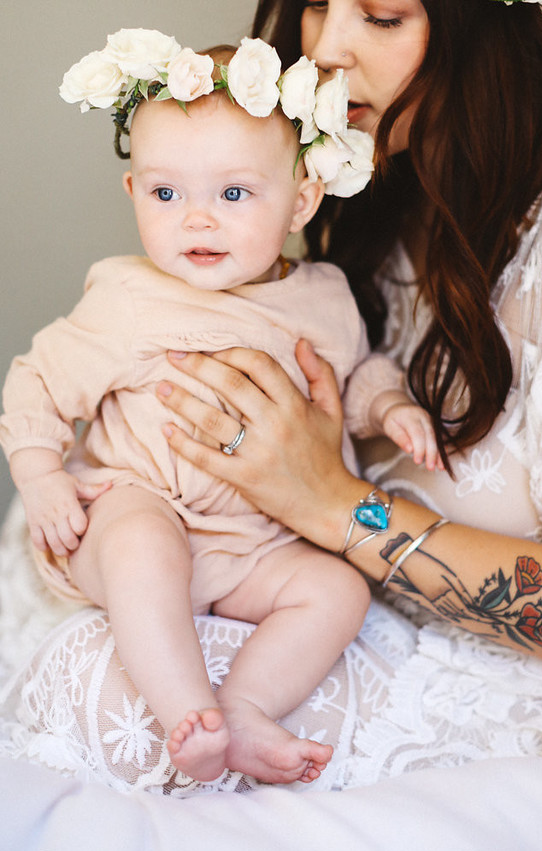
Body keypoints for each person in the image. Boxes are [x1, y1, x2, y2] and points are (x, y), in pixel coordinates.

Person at [0, 35, 380, 785]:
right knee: (140, 543)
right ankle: (186, 711)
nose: (196, 220)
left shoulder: (323, 298)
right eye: (166, 193)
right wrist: (41, 473)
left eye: (233, 194)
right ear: (134, 191)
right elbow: (35, 379)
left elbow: (356, 374)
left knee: (339, 589)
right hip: (139, 504)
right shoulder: (127, 298)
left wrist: (389, 404)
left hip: (253, 542)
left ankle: (244, 706)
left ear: (301, 198)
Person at [153, 0, 542, 668]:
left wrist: (334, 505)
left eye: (381, 16)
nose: (325, 50)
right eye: (316, 4)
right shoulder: (374, 180)